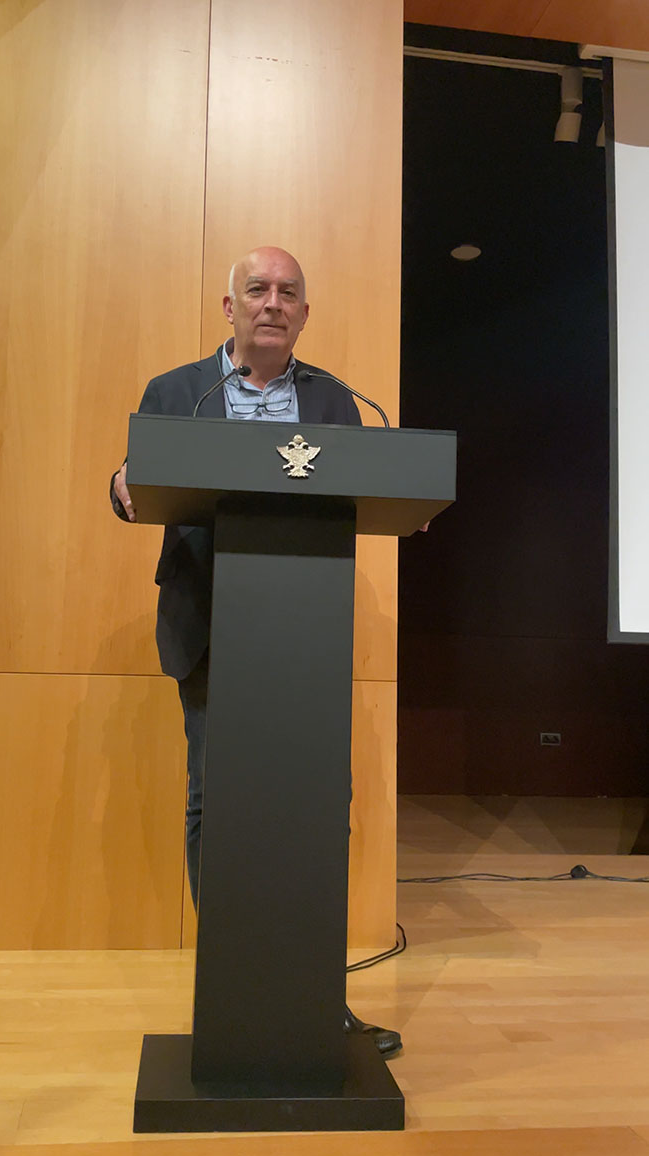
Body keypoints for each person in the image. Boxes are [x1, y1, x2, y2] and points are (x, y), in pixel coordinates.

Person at [111, 246, 401, 1057]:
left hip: (301, 638)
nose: (272, 302)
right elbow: (137, 478)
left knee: (316, 809)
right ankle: (232, 977)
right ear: (228, 307)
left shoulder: (337, 399)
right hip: (209, 625)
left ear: (304, 313)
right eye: (257, 290)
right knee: (214, 802)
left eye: (288, 292)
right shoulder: (178, 391)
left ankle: (315, 992)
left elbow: (366, 487)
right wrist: (119, 482)